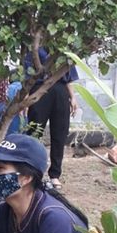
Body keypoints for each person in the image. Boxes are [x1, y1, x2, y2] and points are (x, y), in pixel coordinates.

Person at [24, 48, 78, 189]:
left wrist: (73, 97)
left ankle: (55, 175)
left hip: (60, 91)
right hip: (39, 90)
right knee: (34, 131)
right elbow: (26, 75)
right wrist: (25, 98)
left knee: (60, 134)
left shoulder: (63, 48)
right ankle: (31, 171)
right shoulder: (35, 48)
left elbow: (68, 75)